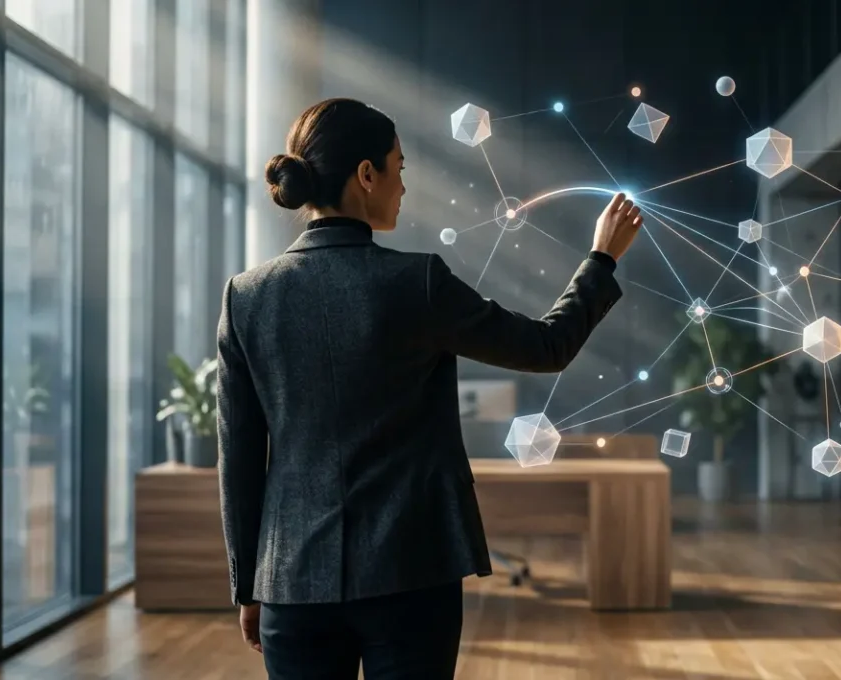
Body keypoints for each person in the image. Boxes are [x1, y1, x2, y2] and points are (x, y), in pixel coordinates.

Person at [215, 97, 642, 679]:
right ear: (367, 175)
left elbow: (237, 458)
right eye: (400, 167)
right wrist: (601, 259)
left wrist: (248, 585)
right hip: (411, 574)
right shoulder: (415, 282)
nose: (404, 185)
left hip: (291, 580)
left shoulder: (246, 296)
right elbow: (547, 347)